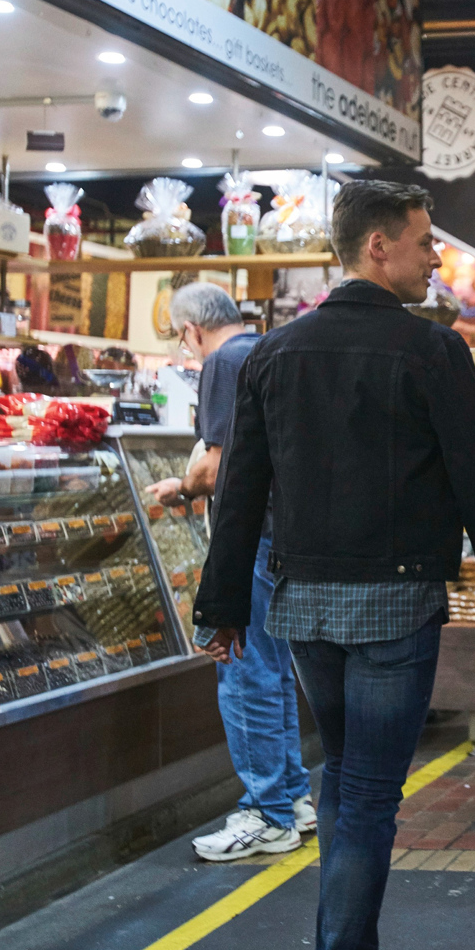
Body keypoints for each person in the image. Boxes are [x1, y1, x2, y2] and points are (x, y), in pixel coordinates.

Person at [194, 180, 475, 950]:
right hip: (396, 606)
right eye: (425, 242)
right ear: (378, 246)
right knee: (370, 793)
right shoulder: (432, 352)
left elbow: (240, 487)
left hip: (303, 606)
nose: (436, 256)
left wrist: (223, 607)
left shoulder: (275, 353)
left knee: (346, 771)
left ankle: (343, 947)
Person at [146, 282, 314, 860]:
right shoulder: (271, 350)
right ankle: (293, 798)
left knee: (242, 671)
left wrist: (181, 486)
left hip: (253, 541)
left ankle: (266, 813)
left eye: (180, 339)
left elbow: (216, 468)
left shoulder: (224, 361)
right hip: (287, 538)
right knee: (273, 671)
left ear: (191, 330)